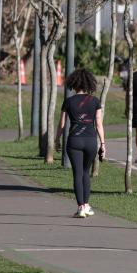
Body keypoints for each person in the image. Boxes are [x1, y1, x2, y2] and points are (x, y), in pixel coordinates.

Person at [56, 69, 106, 218]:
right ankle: (87, 205)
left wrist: (57, 139)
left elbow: (62, 124)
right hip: (91, 141)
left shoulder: (69, 101)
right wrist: (103, 143)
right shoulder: (95, 101)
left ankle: (81, 207)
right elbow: (99, 124)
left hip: (74, 141)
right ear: (89, 83)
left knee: (77, 174)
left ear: (73, 83)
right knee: (85, 173)